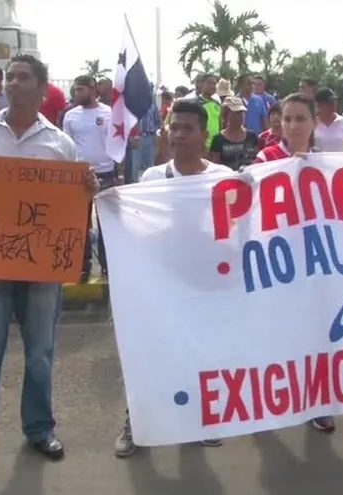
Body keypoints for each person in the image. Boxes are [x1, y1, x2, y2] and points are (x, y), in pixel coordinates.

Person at [0, 54, 100, 478]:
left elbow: (70, 207)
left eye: (22, 77)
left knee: (40, 354)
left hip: (41, 269)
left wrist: (86, 189)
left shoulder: (59, 144)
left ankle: (39, 430)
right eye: (9, 77)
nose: (12, 82)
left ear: (42, 89)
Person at [115, 99, 233, 457]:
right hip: (160, 284)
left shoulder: (223, 178)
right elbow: (136, 223)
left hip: (204, 283)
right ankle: (136, 423)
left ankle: (200, 421)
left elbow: (238, 229)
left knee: (200, 352)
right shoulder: (152, 179)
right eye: (173, 127)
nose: (178, 135)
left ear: (204, 134)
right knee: (149, 354)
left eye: (187, 128)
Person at [62, 75, 115, 282]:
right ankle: (82, 264)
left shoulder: (109, 113)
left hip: (106, 174)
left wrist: (119, 172)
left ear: (93, 90)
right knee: (80, 223)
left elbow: (117, 144)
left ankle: (106, 265)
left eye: (81, 90)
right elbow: (67, 145)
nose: (77, 94)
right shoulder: (70, 116)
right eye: (75, 90)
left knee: (105, 222)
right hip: (80, 175)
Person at [254, 93, 317, 163]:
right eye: (287, 119)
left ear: (314, 123)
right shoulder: (266, 158)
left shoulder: (320, 161)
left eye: (300, 119)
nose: (293, 126)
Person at [209, 97, 259, 171]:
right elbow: (215, 166)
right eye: (236, 113)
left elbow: (258, 161)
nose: (240, 116)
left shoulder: (252, 136)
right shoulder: (218, 139)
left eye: (241, 112)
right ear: (226, 115)